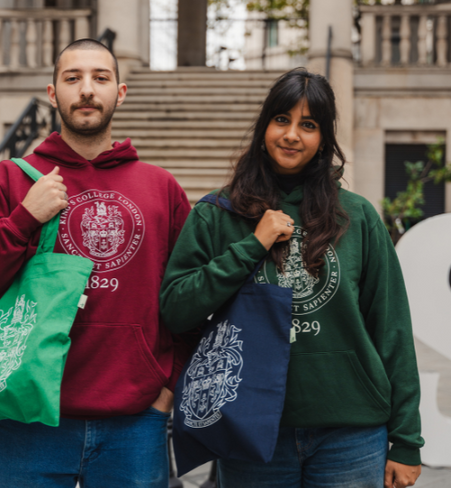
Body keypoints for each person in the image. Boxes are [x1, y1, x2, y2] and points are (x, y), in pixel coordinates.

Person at [160, 68, 424, 488]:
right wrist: (252, 246)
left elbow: (391, 327)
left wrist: (407, 438)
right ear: (264, 125)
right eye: (281, 120)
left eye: (309, 125)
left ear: (324, 138)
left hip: (350, 434)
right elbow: (176, 309)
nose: (292, 135)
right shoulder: (216, 214)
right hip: (251, 430)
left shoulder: (357, 217)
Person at [0, 38, 192, 488]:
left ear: (120, 92)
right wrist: (23, 219)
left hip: (134, 422)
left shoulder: (161, 188)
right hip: (29, 419)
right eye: (72, 78)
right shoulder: (13, 178)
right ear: (52, 92)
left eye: (100, 78)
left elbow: (189, 300)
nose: (86, 90)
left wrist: (167, 390)